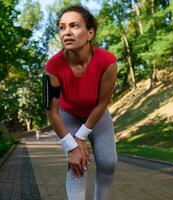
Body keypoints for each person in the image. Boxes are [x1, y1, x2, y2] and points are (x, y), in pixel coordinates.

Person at [44, 5, 117, 200]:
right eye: (62, 27)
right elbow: (52, 112)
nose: (66, 32)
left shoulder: (108, 61)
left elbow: (103, 103)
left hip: (97, 113)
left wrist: (81, 136)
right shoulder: (52, 67)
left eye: (74, 26)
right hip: (68, 114)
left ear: (90, 33)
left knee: (108, 163)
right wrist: (71, 145)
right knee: (77, 163)